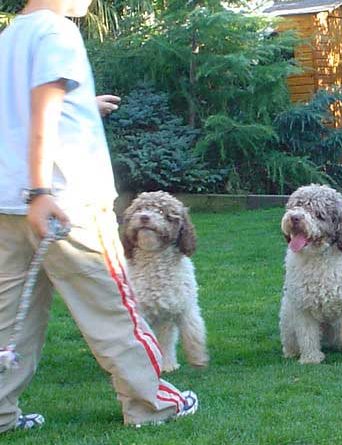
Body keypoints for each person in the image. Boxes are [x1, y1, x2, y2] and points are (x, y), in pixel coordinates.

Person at [0, 0, 199, 432]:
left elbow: (22, 111)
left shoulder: (11, 35)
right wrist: (41, 191)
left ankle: (1, 414)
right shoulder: (59, 32)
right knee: (113, 311)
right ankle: (152, 404)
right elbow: (42, 113)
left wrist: (81, 105)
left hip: (8, 206)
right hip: (64, 203)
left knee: (10, 319)